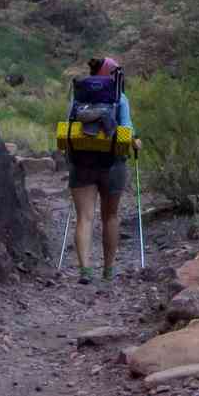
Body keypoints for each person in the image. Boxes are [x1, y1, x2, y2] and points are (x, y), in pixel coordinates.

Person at [66, 55, 137, 283]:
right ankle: (107, 270)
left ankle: (85, 270)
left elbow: (70, 128)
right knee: (111, 217)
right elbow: (127, 131)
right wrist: (136, 142)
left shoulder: (78, 96)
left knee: (84, 218)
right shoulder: (120, 98)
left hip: (81, 162)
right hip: (112, 164)